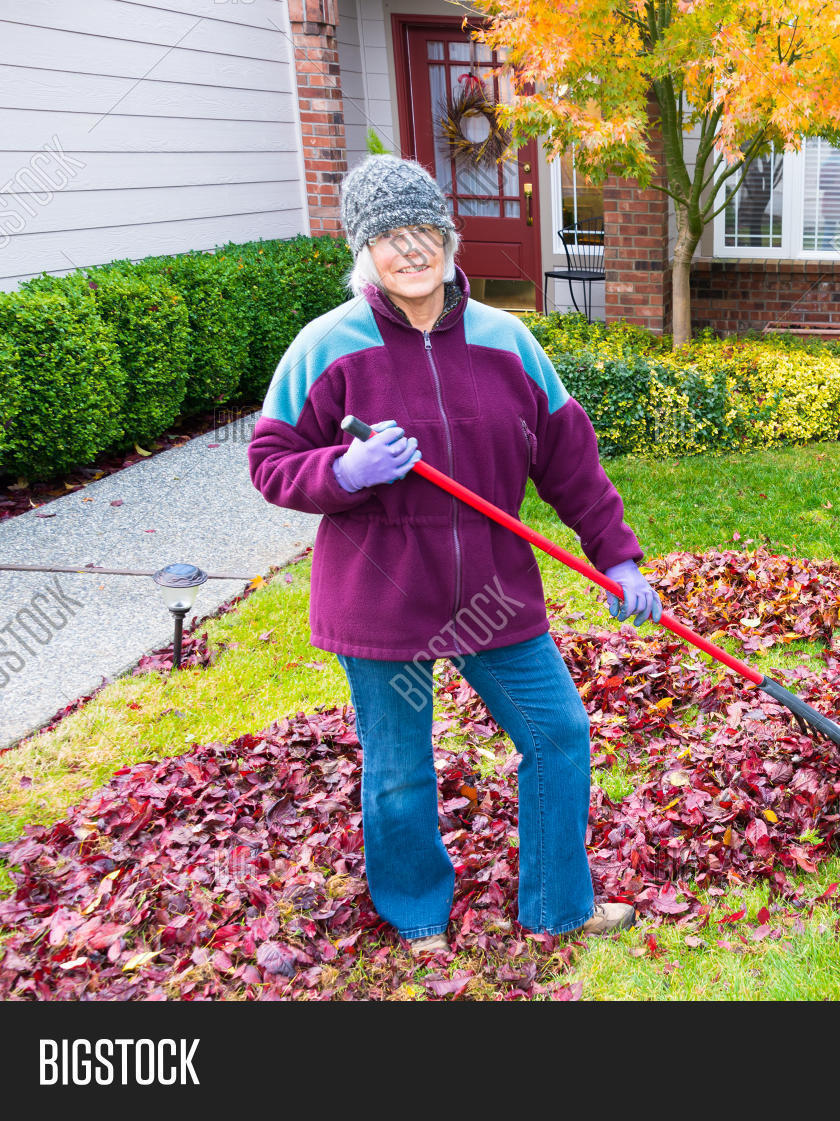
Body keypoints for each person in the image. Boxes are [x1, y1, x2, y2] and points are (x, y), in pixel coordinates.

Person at [246, 154, 661, 956]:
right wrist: (342, 470)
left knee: (559, 734)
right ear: (364, 253)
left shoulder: (506, 341)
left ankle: (557, 905)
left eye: (424, 231)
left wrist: (618, 557)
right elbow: (270, 460)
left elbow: (569, 460)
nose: (411, 250)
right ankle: (415, 915)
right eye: (389, 238)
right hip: (383, 597)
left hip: (493, 592)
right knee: (400, 772)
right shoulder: (327, 345)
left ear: (449, 237)